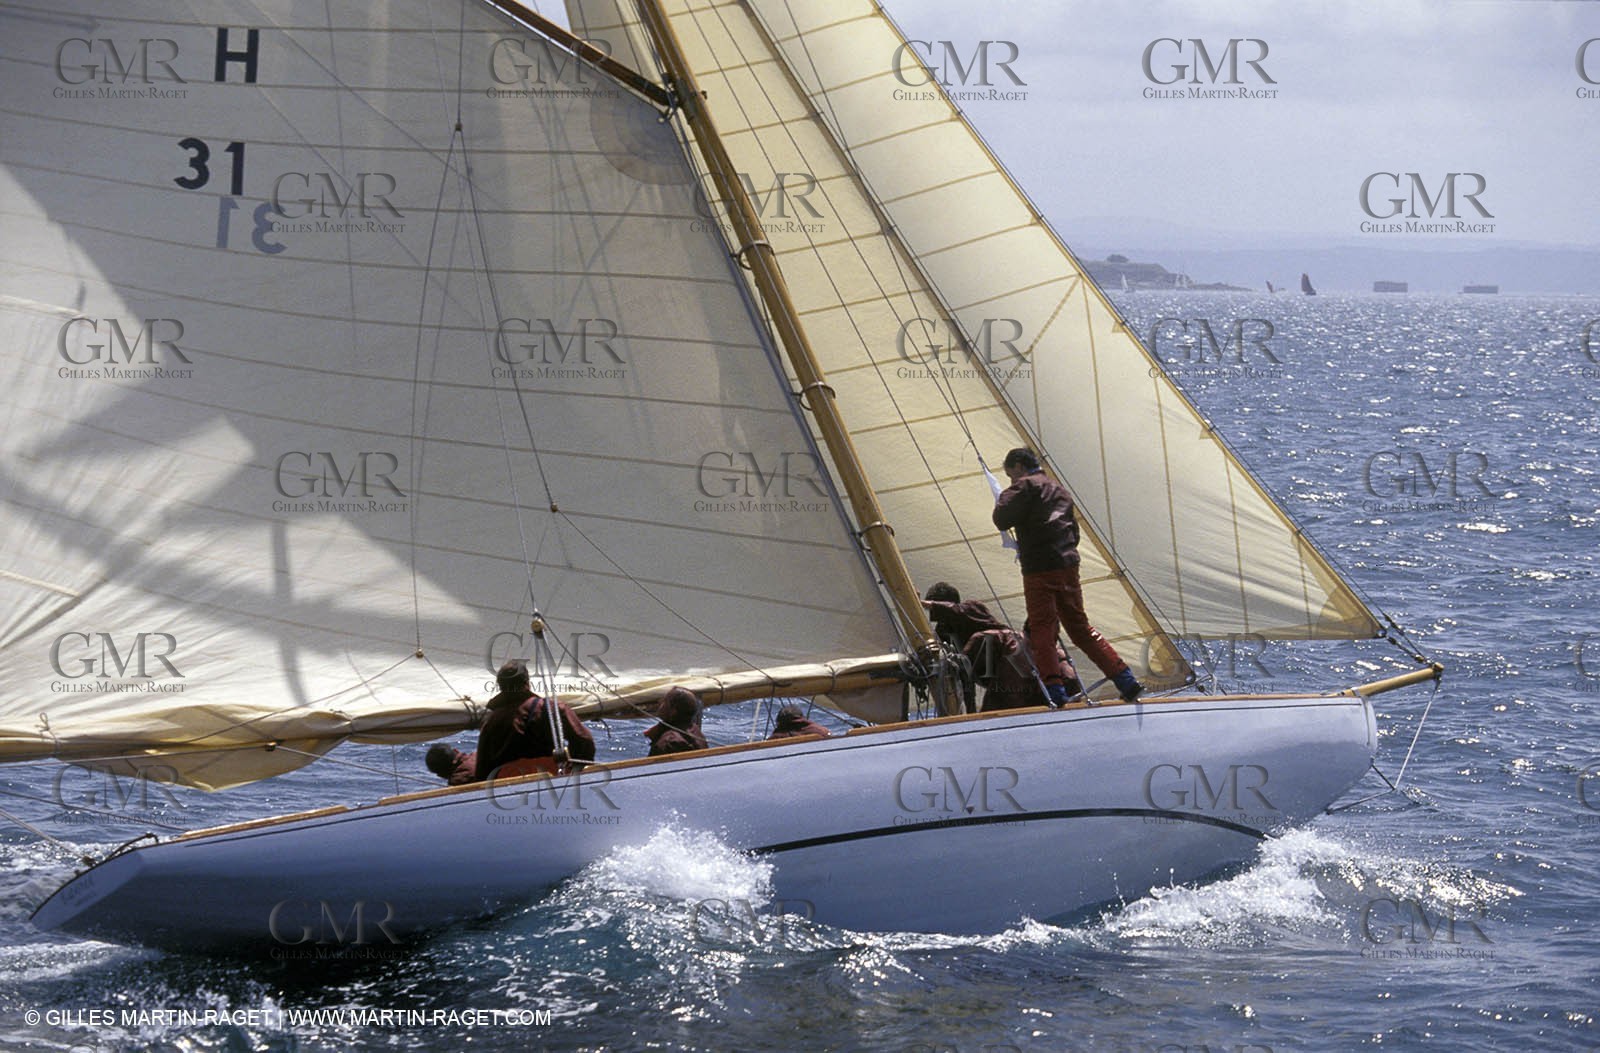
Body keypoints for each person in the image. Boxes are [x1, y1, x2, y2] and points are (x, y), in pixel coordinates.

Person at [991, 448, 1144, 705]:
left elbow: (1001, 519)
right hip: (1068, 565)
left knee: (1043, 627)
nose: (1011, 481)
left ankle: (1055, 693)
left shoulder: (1024, 487)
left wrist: (1005, 493)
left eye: (1010, 475)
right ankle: (1125, 680)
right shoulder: (1060, 490)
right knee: (1080, 628)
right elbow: (1073, 531)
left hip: (1039, 568)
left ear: (1018, 466)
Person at [922, 581, 1079, 711]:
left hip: (1008, 659)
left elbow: (955, 610)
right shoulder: (943, 630)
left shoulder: (972, 608)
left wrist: (923, 604)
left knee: (1008, 696)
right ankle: (969, 717)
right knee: (965, 683)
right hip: (984, 669)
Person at [474, 659, 597, 780]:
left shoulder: (491, 721)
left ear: (500, 686)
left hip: (507, 785)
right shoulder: (549, 708)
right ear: (527, 683)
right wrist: (576, 770)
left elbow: (483, 768)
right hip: (549, 778)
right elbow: (584, 740)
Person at [645, 686, 709, 756]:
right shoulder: (696, 731)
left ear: (673, 711)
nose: (660, 702)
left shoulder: (668, 743)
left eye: (665, 701)